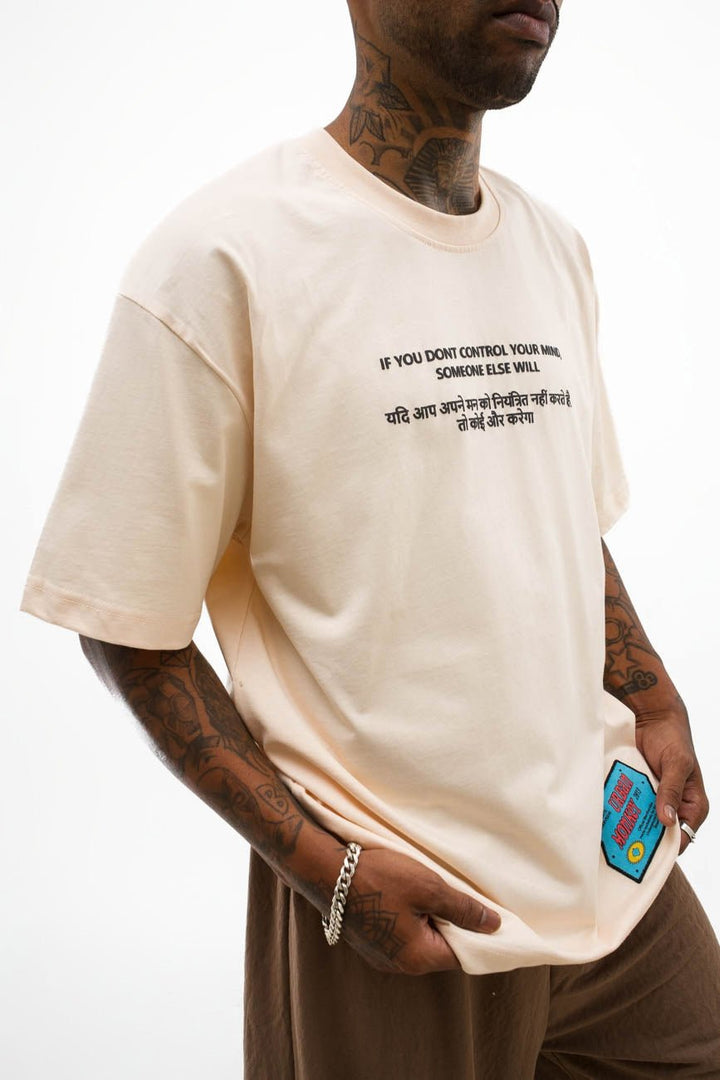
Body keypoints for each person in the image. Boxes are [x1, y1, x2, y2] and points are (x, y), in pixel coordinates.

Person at [21, 0, 720, 1075]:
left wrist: (652, 692)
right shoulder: (222, 260)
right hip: (409, 909)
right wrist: (325, 872)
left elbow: (558, 517)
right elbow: (124, 623)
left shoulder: (552, 248)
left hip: (609, 866)